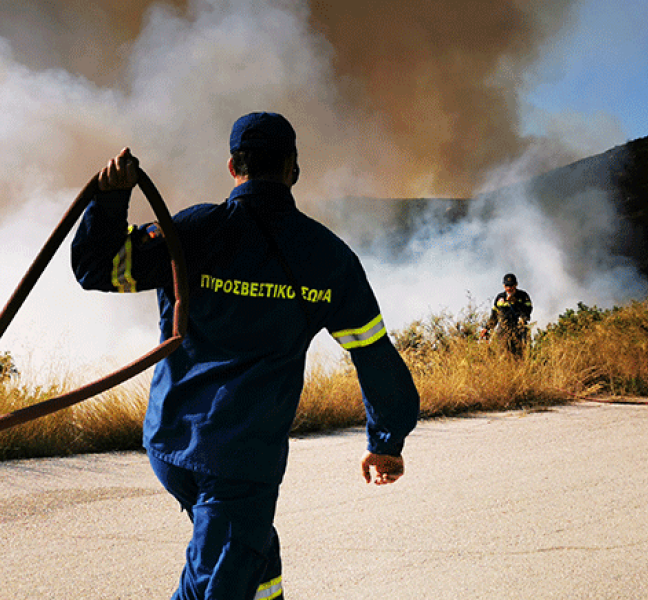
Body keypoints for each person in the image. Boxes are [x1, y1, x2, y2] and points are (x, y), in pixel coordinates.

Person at [71, 112, 420, 600]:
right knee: (219, 578)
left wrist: (109, 200)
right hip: (242, 458)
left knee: (251, 555)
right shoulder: (327, 257)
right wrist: (386, 438)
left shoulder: (190, 232)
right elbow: (373, 356)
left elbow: (96, 268)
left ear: (233, 166)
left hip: (171, 444)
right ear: (293, 170)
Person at [481, 273, 533, 356]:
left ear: (516, 285)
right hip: (503, 332)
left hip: (519, 331)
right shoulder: (500, 298)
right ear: (503, 286)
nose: (509, 288)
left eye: (511, 285)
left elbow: (527, 312)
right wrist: (487, 328)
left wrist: (515, 302)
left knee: (520, 356)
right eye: (506, 285)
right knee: (502, 356)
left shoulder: (523, 296)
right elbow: (494, 316)